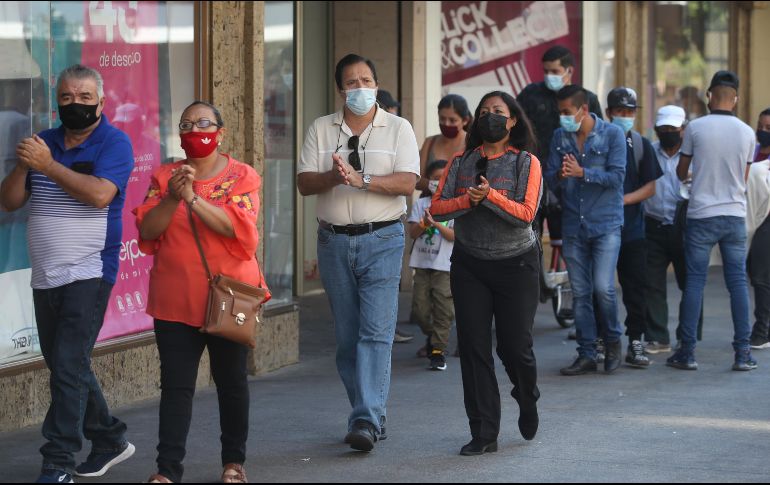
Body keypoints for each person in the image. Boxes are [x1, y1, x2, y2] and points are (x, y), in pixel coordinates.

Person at [0, 64, 135, 483]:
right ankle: (108, 436)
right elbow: (8, 202)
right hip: (46, 274)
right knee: (67, 365)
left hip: (90, 270)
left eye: (83, 97)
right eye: (65, 98)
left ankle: (57, 461)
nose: (74, 104)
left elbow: (99, 195)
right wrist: (26, 165)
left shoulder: (115, 142)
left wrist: (49, 166)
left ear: (101, 101)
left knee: (68, 365)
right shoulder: (44, 142)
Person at [134, 101, 268, 483]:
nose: (196, 129)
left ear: (221, 132)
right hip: (175, 300)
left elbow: (239, 229)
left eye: (204, 122)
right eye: (187, 123)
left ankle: (233, 464)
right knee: (176, 387)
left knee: (231, 382)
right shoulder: (164, 177)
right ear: (178, 134)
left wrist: (193, 198)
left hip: (230, 298)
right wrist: (175, 196)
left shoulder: (243, 176)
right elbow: (148, 230)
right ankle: (166, 470)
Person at [297, 53, 420, 452]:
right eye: (352, 82)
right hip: (333, 241)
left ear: (377, 84)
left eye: (366, 80)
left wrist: (361, 179)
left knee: (376, 334)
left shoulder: (398, 128)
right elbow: (303, 183)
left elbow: (406, 183)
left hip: (382, 239)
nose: (360, 88)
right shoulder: (321, 128)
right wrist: (333, 177)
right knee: (349, 338)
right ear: (340, 89)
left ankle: (365, 418)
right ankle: (368, 414)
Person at [431, 90, 543, 455]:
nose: (490, 116)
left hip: (517, 265)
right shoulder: (462, 161)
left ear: (512, 121)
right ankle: (483, 431)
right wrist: (468, 200)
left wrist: (490, 196)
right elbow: (438, 209)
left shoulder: (525, 162)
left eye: (498, 111)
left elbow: (526, 214)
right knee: (474, 348)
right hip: (470, 265)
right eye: (484, 112)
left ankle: (526, 395)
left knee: (515, 347)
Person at [673, 70, 757, 371]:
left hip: (701, 215)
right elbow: (743, 180)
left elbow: (681, 173)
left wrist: (697, 175)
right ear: (735, 98)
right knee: (737, 284)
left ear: (710, 96)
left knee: (695, 282)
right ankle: (743, 353)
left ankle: (687, 352)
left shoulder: (695, 128)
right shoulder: (748, 133)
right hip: (734, 215)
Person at [544, 85, 626, 376]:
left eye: (567, 112)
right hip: (573, 224)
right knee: (580, 292)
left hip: (605, 223)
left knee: (603, 288)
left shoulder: (613, 134)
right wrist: (560, 174)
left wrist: (583, 173)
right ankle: (587, 353)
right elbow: (549, 180)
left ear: (583, 110)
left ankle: (614, 342)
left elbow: (617, 178)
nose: (563, 118)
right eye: (560, 113)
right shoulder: (559, 136)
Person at [516, 45, 603, 312]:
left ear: (569, 71)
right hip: (534, 178)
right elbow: (516, 127)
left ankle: (576, 302)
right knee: (527, 240)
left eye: (555, 71)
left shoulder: (585, 98)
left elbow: (597, 135)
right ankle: (532, 292)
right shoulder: (531, 94)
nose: (549, 76)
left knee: (571, 244)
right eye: (545, 71)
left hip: (572, 181)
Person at [604, 87, 663, 367]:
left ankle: (636, 340)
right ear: (608, 113)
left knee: (635, 288)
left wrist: (623, 199)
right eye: (620, 112)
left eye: (630, 112)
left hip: (632, 231)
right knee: (600, 289)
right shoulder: (597, 142)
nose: (625, 117)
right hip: (601, 230)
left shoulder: (640, 145)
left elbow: (650, 187)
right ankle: (603, 339)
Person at [643, 105, 703, 354]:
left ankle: (688, 335)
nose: (668, 133)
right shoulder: (649, 152)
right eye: (663, 129)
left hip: (686, 226)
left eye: (673, 129)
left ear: (683, 129)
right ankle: (658, 337)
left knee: (690, 283)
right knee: (652, 283)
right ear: (656, 129)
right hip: (653, 224)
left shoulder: (696, 155)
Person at [407, 159, 455, 371]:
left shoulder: (455, 204)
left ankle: (437, 352)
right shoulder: (420, 204)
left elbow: (454, 236)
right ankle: (434, 336)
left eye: (443, 178)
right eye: (435, 178)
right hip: (422, 264)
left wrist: (435, 223)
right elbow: (413, 233)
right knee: (419, 310)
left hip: (444, 267)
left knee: (444, 309)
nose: (439, 182)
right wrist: (424, 223)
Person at [747, 113, 770, 349]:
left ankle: (762, 330)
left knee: (761, 276)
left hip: (767, 220)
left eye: (768, 127)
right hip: (749, 217)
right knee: (754, 274)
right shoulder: (751, 151)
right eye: (760, 125)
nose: (763, 130)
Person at [416, 94, 472, 192]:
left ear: (465, 120)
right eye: (442, 119)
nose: (446, 124)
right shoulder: (430, 142)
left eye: (452, 120)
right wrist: (432, 185)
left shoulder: (472, 143)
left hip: (462, 204)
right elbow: (417, 180)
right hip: (430, 204)